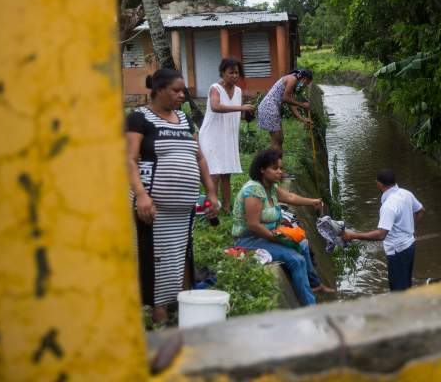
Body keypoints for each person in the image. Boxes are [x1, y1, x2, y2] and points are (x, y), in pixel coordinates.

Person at [125, 68, 219, 325]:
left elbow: (199, 157)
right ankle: (158, 312)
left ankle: (177, 304)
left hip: (183, 209)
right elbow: (130, 159)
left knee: (178, 254)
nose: (182, 95)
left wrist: (211, 192)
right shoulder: (139, 118)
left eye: (183, 90)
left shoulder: (184, 119)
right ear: (158, 90)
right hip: (153, 206)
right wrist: (142, 196)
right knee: (153, 255)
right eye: (176, 90)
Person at [232, 148, 330, 306]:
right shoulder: (253, 191)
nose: (280, 172)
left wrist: (313, 202)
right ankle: (310, 308)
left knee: (303, 245)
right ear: (262, 169)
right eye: (275, 168)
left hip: (267, 235)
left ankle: (315, 285)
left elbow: (290, 197)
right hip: (249, 240)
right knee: (296, 260)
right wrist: (278, 239)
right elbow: (253, 225)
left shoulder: (271, 186)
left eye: (280, 168)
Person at [342, 170, 425, 292]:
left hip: (398, 251)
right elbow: (421, 210)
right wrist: (412, 228)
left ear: (379, 184)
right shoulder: (406, 193)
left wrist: (352, 235)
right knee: (406, 284)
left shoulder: (388, 205)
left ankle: (401, 309)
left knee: (397, 290)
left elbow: (381, 235)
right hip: (410, 245)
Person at [198, 58, 254, 211]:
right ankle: (212, 208)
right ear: (223, 73)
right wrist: (242, 107)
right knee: (214, 173)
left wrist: (247, 113)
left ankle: (227, 207)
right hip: (212, 134)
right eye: (231, 73)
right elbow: (216, 107)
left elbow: (236, 112)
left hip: (227, 135)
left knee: (226, 174)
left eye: (236, 73)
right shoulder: (215, 88)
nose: (234, 76)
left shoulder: (238, 91)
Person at [256, 69, 313, 150]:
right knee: (277, 140)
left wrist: (302, 119)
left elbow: (290, 103)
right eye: (307, 83)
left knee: (279, 139)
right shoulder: (292, 79)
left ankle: (276, 159)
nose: (305, 85)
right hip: (269, 108)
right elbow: (286, 98)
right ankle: (273, 160)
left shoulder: (293, 81)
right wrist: (302, 105)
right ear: (304, 79)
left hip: (271, 108)